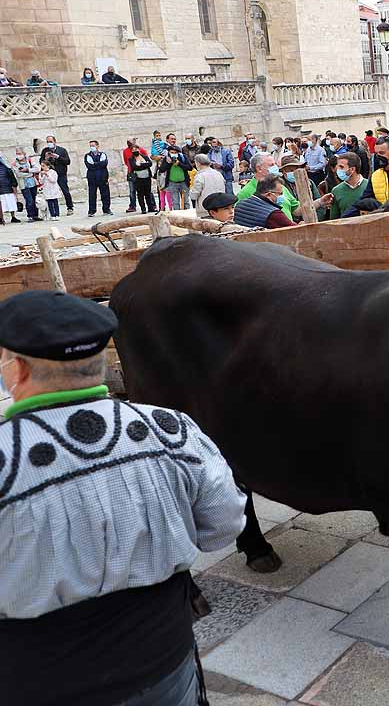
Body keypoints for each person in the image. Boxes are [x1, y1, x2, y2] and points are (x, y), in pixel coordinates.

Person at [0, 290, 247, 706]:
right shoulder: (172, 430)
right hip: (164, 662)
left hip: (39, 681)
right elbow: (224, 526)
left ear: (17, 369)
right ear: (98, 364)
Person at [238, 152, 299, 221]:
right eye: (271, 165)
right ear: (259, 168)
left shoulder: (280, 186)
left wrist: (312, 204)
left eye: (275, 164)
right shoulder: (245, 193)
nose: (276, 168)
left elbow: (295, 209)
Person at [329, 153, 371, 219]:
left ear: (352, 169)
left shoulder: (369, 186)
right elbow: (334, 219)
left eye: (341, 167)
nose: (338, 170)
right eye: (338, 166)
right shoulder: (336, 190)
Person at [39, 135, 72, 215]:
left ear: (55, 142)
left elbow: (67, 161)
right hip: (50, 174)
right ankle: (52, 211)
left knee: (65, 191)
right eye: (48, 142)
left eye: (51, 141)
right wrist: (46, 158)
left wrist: (57, 157)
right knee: (50, 192)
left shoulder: (62, 150)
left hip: (61, 174)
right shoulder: (45, 151)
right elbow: (41, 161)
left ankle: (70, 207)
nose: (49, 143)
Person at [156, 145, 193, 211]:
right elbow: (161, 170)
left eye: (175, 152)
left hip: (184, 182)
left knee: (186, 202)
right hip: (172, 183)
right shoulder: (167, 159)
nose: (173, 154)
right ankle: (177, 217)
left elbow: (190, 168)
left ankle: (187, 216)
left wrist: (179, 164)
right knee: (175, 202)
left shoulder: (182, 157)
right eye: (171, 152)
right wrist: (168, 163)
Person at [83, 139, 113, 217]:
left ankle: (106, 209)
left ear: (97, 146)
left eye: (93, 146)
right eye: (91, 146)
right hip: (92, 178)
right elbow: (89, 165)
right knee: (92, 194)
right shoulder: (88, 155)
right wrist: (98, 164)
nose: (92, 147)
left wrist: (95, 164)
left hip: (102, 177)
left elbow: (104, 164)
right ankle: (92, 211)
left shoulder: (102, 154)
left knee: (105, 194)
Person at [128, 144, 155, 214]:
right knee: (140, 194)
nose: (135, 151)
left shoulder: (144, 157)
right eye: (133, 150)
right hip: (138, 179)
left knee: (148, 193)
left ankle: (150, 207)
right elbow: (134, 167)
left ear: (138, 149)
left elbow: (150, 164)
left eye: (136, 149)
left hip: (147, 178)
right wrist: (144, 165)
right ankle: (143, 208)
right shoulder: (131, 159)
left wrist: (141, 164)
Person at [16, 149, 39, 221]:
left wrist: (27, 170)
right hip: (24, 185)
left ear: (24, 153)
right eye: (17, 153)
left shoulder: (30, 160)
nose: (18, 155)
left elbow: (37, 169)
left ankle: (36, 215)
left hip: (33, 183)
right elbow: (19, 174)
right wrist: (30, 173)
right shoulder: (15, 163)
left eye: (20, 153)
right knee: (29, 200)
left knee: (34, 199)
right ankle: (30, 216)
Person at [0, 152, 19, 224]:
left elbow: (12, 177)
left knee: (10, 203)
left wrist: (14, 185)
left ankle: (12, 217)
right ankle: (2, 218)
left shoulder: (6, 167)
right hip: (3, 188)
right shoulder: (7, 167)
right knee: (3, 204)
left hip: (7, 187)